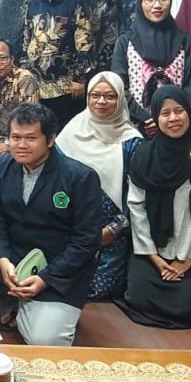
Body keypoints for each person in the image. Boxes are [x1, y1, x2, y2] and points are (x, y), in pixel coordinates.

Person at [0, 103, 101, 345]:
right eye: (15, 137)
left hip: (59, 266)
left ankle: (38, 309)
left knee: (45, 343)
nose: (21, 145)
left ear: (51, 139)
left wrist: (46, 278)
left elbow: (86, 242)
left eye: (31, 138)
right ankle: (18, 303)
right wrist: (3, 261)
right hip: (14, 254)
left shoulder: (80, 177)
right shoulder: (0, 166)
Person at [123, 86, 191, 327]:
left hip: (190, 249)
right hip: (152, 248)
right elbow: (136, 206)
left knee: (184, 306)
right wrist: (152, 255)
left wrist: (189, 258)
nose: (173, 118)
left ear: (189, 112)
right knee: (137, 297)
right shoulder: (144, 154)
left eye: (179, 111)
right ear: (156, 118)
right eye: (165, 113)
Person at [55, 71, 142, 302]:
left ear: (120, 99)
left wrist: (114, 228)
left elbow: (137, 195)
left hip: (110, 232)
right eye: (95, 95)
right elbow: (55, 181)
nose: (101, 101)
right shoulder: (71, 132)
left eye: (110, 96)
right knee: (57, 279)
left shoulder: (132, 142)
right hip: (68, 225)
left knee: (99, 289)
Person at [112, 0, 191, 134]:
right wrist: (146, 118)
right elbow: (119, 86)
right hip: (136, 126)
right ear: (140, 2)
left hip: (177, 124)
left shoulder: (184, 41)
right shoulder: (126, 41)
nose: (157, 5)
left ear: (170, 1)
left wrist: (170, 117)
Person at [20, 0, 92, 125]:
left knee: (65, 132)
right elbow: (27, 41)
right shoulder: (33, 4)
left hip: (67, 86)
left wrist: (79, 78)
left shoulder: (76, 0)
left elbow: (85, 43)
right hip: (37, 85)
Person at [0, 39, 39, 156]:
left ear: (12, 59)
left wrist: (9, 144)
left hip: (19, 143)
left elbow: (31, 120)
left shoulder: (24, 79)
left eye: (2, 58)